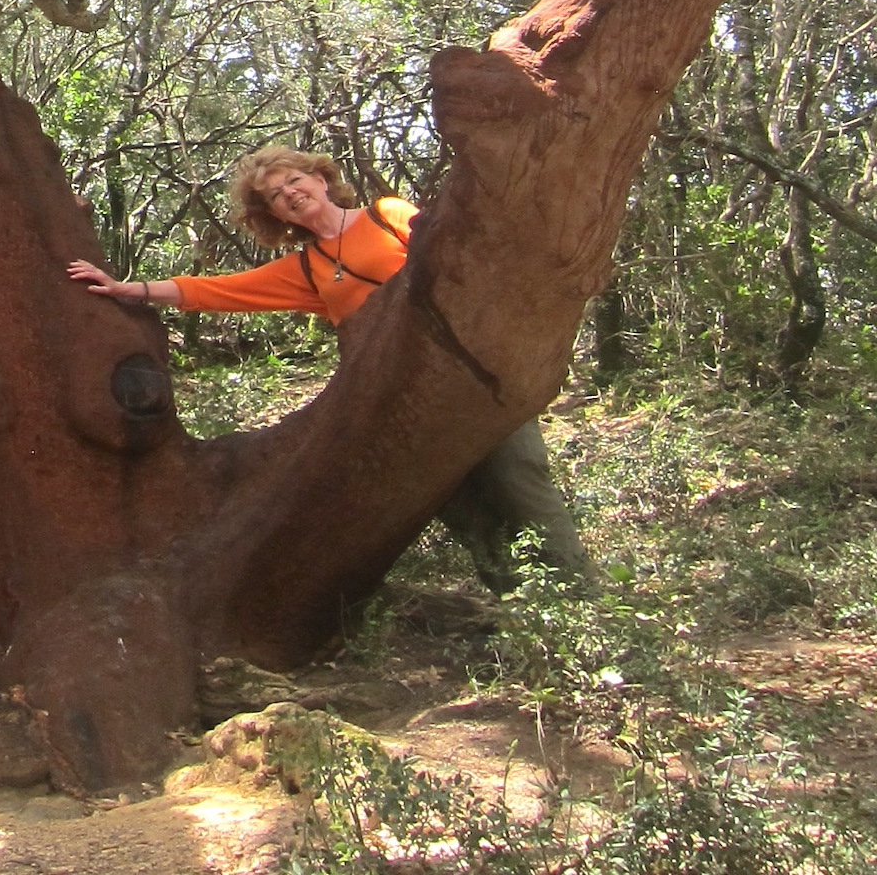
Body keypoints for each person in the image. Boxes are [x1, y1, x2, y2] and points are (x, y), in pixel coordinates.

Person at [67, 145, 592, 594]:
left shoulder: (388, 214)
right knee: (455, 502)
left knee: (519, 476)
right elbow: (215, 290)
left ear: (321, 179)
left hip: (472, 376)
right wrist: (124, 288)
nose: (290, 193)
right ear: (276, 215)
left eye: (294, 180)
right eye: (276, 195)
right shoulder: (306, 269)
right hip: (401, 399)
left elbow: (455, 257)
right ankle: (524, 610)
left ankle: (583, 600)